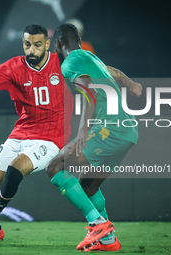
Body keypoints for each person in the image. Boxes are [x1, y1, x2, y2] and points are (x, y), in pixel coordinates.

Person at [0, 23, 139, 245]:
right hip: (20, 133)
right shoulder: (13, 67)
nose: (31, 49)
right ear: (22, 44)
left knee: (23, 168)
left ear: (48, 45)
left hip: (52, 138)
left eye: (37, 45)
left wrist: (129, 83)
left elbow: (105, 71)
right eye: (27, 44)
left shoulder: (62, 61)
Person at [46, 23, 142, 252]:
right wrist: (130, 83)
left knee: (56, 166)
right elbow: (113, 72)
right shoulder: (90, 57)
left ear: (58, 45)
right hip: (128, 131)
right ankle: (108, 240)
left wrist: (82, 131)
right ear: (78, 41)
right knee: (87, 186)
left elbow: (90, 93)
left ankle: (98, 225)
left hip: (109, 130)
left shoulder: (70, 62)